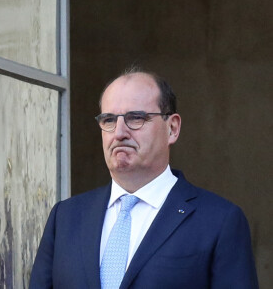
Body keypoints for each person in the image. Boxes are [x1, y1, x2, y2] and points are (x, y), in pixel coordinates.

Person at [29, 69, 258, 288]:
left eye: (135, 118)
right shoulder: (66, 218)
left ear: (172, 128)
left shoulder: (219, 221)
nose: (119, 132)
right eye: (109, 120)